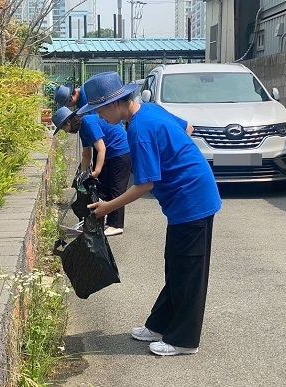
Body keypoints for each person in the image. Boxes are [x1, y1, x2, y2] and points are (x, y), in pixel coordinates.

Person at [78, 71, 221, 356]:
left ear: (116, 104)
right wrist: (176, 157)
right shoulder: (150, 110)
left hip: (191, 200)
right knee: (177, 265)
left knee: (188, 271)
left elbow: (145, 184)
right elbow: (188, 128)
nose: (100, 118)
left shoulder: (140, 129)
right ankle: (160, 324)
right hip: (189, 195)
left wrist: (108, 206)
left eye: (99, 111)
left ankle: (184, 340)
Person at [51, 106, 132, 236]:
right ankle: (102, 220)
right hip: (110, 153)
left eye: (63, 128)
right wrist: (81, 175)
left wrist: (96, 172)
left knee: (116, 188)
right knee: (103, 188)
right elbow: (86, 155)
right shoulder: (82, 129)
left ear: (68, 122)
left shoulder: (88, 123)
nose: (65, 132)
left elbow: (101, 149)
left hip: (121, 151)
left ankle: (115, 224)